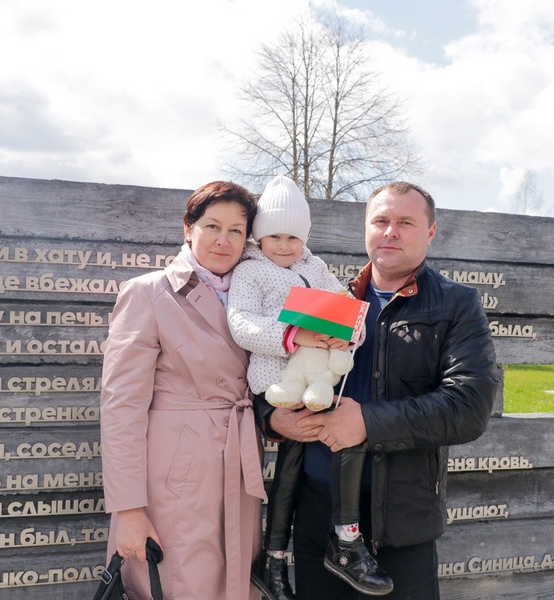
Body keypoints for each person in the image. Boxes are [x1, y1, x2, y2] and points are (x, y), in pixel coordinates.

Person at [261, 182, 500, 599]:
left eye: (405, 222)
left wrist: (366, 423)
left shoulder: (456, 304)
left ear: (430, 232)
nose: (390, 231)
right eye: (381, 221)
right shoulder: (328, 296)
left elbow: (468, 405)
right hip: (316, 508)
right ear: (366, 228)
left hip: (399, 519)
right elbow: (269, 366)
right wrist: (272, 418)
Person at [228, 175, 392, 600]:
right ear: (259, 236)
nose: (284, 246)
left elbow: (348, 310)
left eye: (294, 237)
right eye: (274, 236)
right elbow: (241, 323)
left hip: (319, 380)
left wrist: (348, 335)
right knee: (290, 468)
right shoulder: (250, 272)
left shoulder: (314, 268)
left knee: (334, 442)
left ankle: (328, 541)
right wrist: (292, 336)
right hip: (278, 383)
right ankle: (284, 558)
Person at [100, 181, 266, 600]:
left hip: (239, 468)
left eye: (236, 230)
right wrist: (129, 510)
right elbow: (121, 407)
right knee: (178, 584)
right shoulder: (149, 292)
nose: (223, 240)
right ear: (188, 228)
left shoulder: (257, 298)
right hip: (174, 479)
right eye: (212, 226)